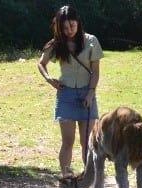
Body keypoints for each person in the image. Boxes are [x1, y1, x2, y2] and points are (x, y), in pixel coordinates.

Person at [37, 5, 103, 178]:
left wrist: (90, 93)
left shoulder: (91, 41)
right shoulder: (56, 44)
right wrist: (49, 79)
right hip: (65, 95)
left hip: (86, 94)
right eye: (64, 28)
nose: (69, 31)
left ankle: (89, 179)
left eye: (72, 26)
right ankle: (67, 178)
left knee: (87, 142)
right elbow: (41, 63)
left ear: (78, 23)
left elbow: (95, 71)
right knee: (68, 141)